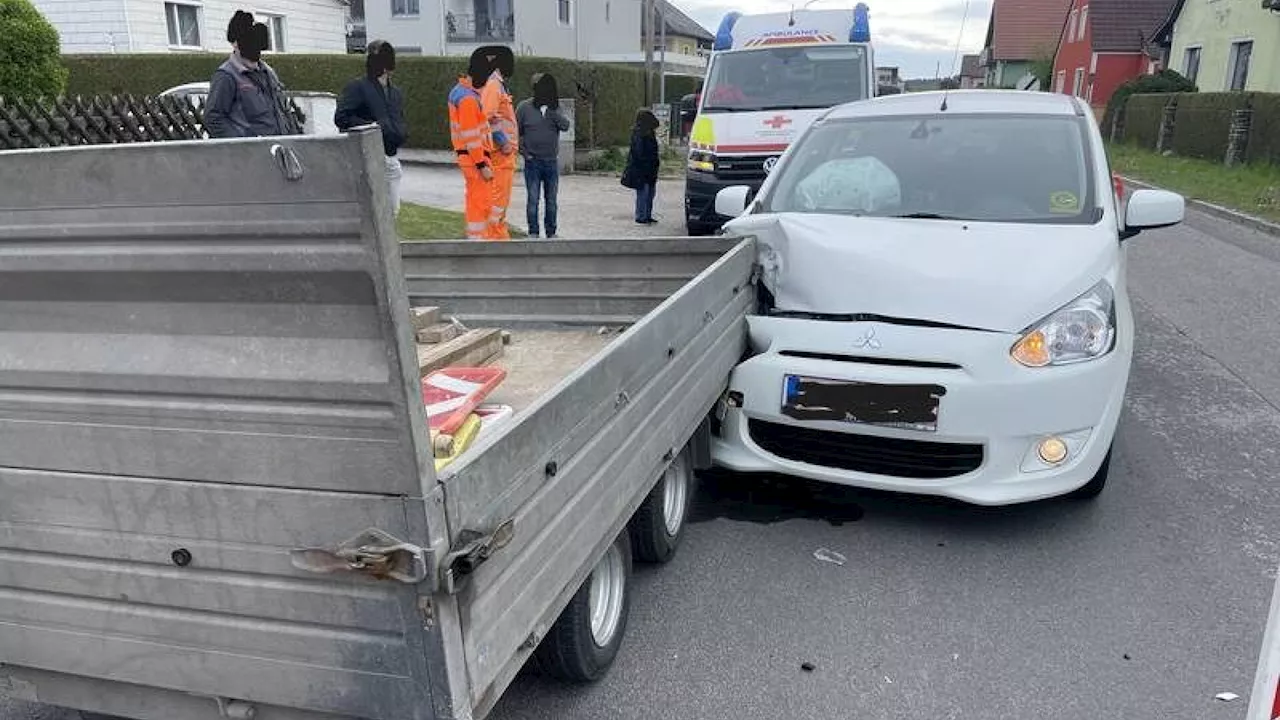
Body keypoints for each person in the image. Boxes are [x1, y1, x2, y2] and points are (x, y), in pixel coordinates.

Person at [335, 40, 408, 216]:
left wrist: (401, 132)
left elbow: (398, 117)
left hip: (391, 157)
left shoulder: (395, 93)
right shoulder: (358, 87)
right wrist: (371, 127)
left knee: (392, 211)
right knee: (374, 211)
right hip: (369, 155)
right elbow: (341, 118)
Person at [205, 10, 296, 139]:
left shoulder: (269, 73)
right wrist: (243, 143)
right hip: (250, 154)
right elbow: (214, 119)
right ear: (235, 43)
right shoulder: (226, 76)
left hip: (279, 148)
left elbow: (283, 110)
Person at [448, 49, 500, 240]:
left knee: (475, 202)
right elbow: (471, 136)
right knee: (481, 203)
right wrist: (482, 164)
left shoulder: (461, 93)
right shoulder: (468, 99)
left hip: (469, 158)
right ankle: (479, 241)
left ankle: (476, 238)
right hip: (475, 160)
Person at [515, 73, 570, 238]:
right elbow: (515, 132)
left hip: (551, 162)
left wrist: (552, 113)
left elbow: (566, 126)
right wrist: (525, 153)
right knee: (533, 199)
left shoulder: (556, 107)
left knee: (551, 200)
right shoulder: (524, 108)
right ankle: (533, 232)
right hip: (533, 163)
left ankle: (551, 232)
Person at [478, 46, 517, 240]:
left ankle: (498, 236)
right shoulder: (494, 85)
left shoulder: (497, 85)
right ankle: (495, 239)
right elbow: (487, 118)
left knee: (500, 204)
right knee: (498, 203)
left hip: (504, 156)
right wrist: (503, 142)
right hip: (500, 155)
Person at [624, 109, 661, 225]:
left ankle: (647, 215)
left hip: (649, 168)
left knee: (650, 193)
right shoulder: (640, 134)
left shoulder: (648, 133)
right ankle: (641, 216)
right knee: (643, 193)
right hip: (642, 169)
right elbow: (638, 153)